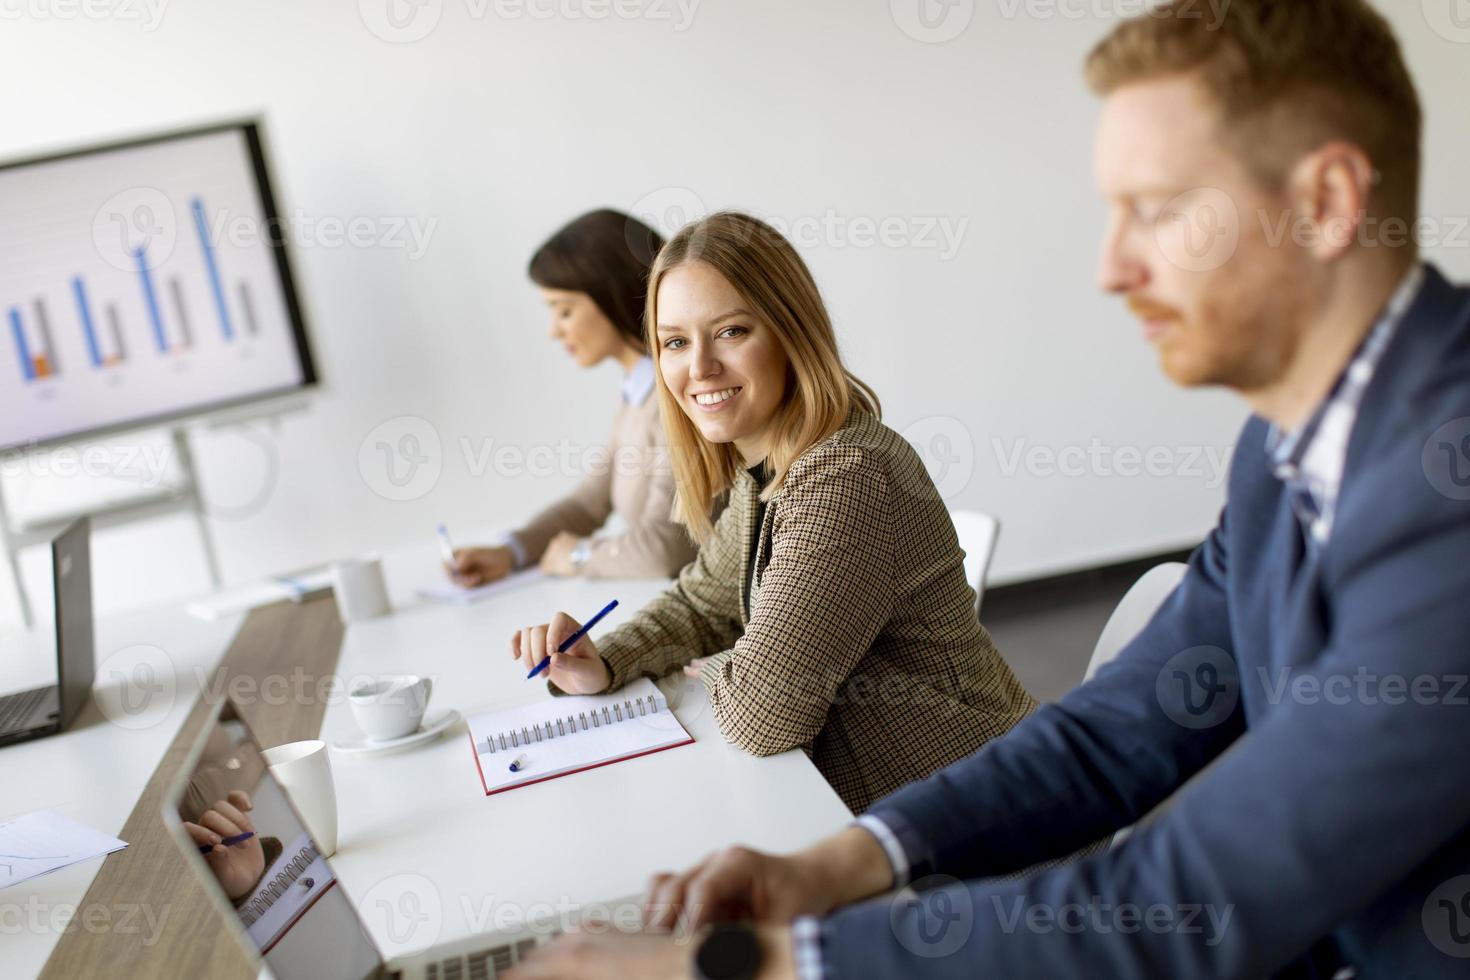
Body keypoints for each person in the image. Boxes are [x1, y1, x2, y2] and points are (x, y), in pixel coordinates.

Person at [509, 1, 1470, 978]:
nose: (1111, 268)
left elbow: (1178, 905)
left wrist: (754, 960)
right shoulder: (1281, 448)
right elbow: (1111, 733)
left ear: (1327, 202)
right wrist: (846, 859)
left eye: (1160, 209)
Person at [508, 211, 1036, 814]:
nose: (698, 367)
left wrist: (727, 662)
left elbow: (764, 714)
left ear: (791, 332)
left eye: (730, 331)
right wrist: (604, 660)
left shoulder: (846, 475)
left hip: (986, 833)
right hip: (883, 816)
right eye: (675, 342)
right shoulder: (763, 464)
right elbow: (701, 603)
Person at [448, 209, 697, 582]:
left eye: (564, 311)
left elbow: (665, 550)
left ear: (612, 295)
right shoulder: (636, 391)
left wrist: (580, 554)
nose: (554, 331)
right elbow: (588, 502)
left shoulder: (675, 397)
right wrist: (510, 552)